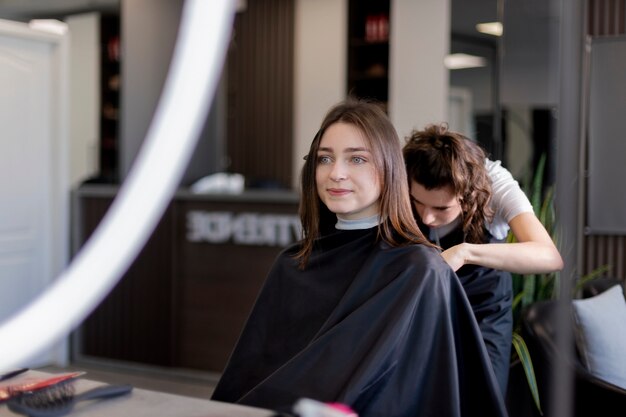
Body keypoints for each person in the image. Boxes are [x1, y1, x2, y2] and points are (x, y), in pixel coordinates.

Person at [211, 99, 508, 417]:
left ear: (388, 168)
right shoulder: (292, 263)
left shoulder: (419, 271)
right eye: (325, 158)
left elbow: (412, 393)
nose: (335, 173)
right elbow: (247, 381)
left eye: (356, 159)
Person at [402, 123, 564, 395]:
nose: (427, 217)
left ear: (467, 194)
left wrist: (466, 252)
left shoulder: (495, 184)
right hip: (421, 305)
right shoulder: (401, 174)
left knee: (481, 397)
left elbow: (549, 256)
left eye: (441, 208)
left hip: (483, 314)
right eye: (418, 202)